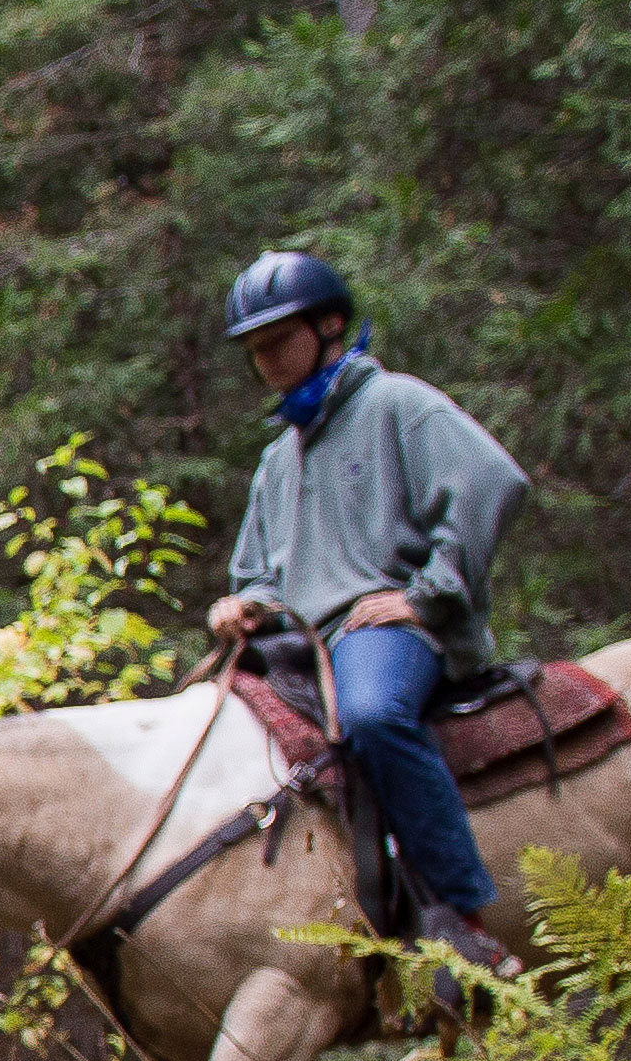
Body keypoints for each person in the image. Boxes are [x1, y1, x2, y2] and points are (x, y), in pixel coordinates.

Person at [202, 248, 533, 978]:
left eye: (277, 343)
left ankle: (461, 915)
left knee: (375, 714)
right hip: (304, 642)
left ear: (331, 326)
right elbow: (258, 571)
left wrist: (425, 594)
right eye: (254, 352)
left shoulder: (397, 405)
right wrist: (243, 606)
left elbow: (491, 481)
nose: (267, 363)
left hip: (384, 630)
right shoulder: (279, 458)